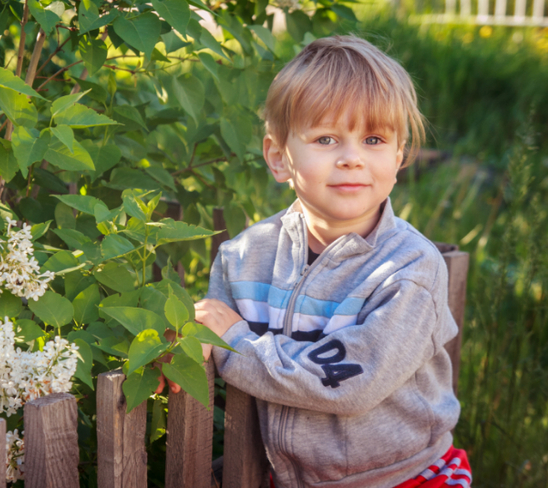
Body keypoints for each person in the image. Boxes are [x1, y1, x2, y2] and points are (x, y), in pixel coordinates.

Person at [192, 36, 472, 488]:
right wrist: (187, 341)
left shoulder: (408, 269)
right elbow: (213, 343)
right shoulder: (244, 258)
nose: (351, 159)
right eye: (326, 139)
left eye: (374, 139)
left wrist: (237, 343)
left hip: (404, 475)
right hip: (287, 476)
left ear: (399, 155)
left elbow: (351, 384)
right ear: (279, 158)